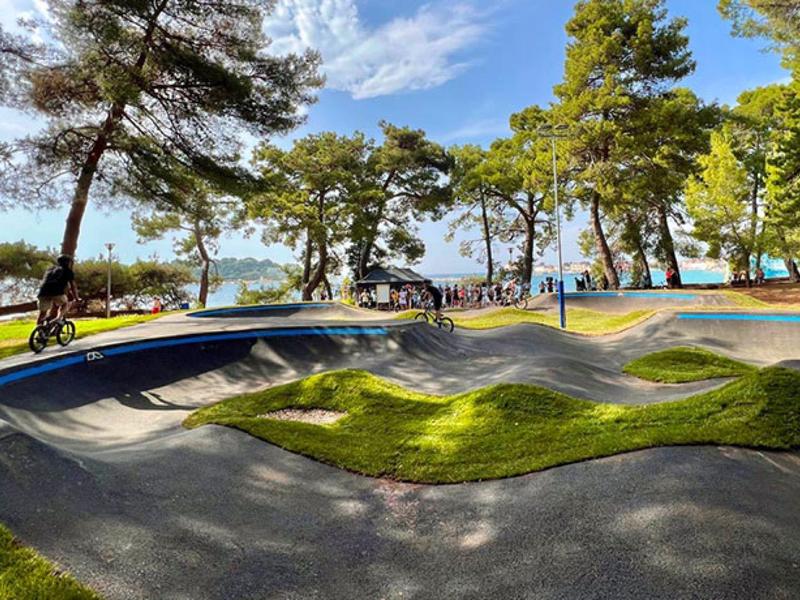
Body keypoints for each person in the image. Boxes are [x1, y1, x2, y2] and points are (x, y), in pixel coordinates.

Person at [36, 254, 79, 325]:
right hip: (57, 292)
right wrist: (76, 298)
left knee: (42, 313)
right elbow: (73, 286)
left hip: (42, 292)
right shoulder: (68, 271)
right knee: (65, 304)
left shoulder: (49, 270)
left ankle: (40, 331)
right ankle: (58, 319)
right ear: (67, 262)